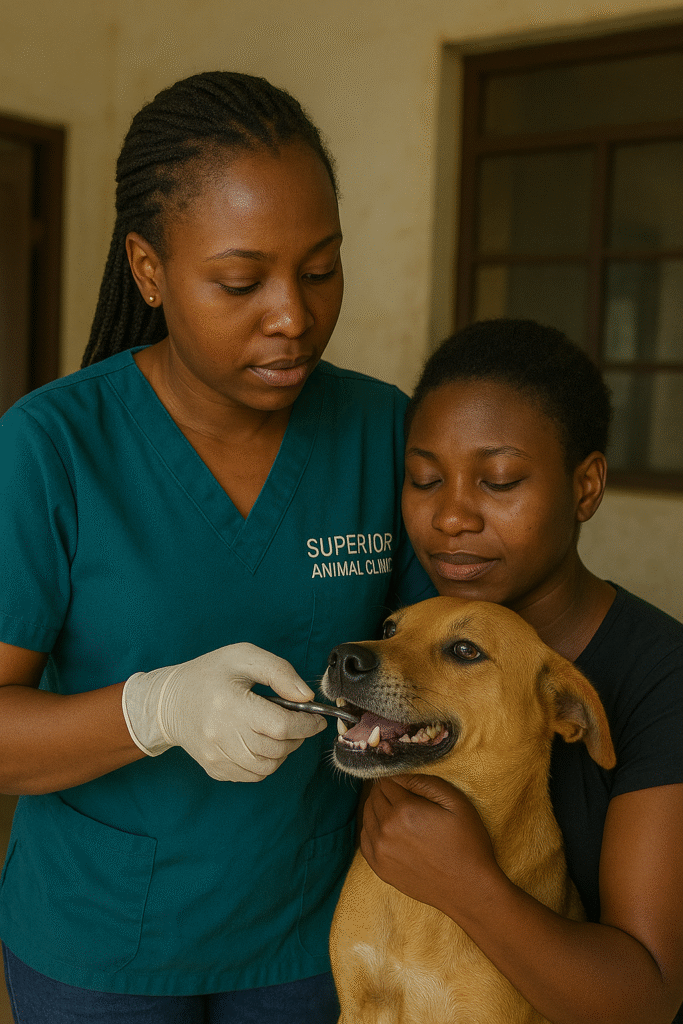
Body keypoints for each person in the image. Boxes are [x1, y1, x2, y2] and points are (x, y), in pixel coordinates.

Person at [0, 71, 433, 1022]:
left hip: (314, 930)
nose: (292, 314)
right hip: (105, 945)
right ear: (149, 271)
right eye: (240, 281)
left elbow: (439, 661)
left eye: (321, 269)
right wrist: (152, 710)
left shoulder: (382, 431)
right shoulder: (54, 447)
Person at [360, 318, 683, 1024]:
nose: (449, 516)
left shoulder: (662, 680)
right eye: (424, 479)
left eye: (498, 480)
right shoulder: (403, 639)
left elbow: (646, 993)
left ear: (585, 487)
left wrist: (468, 885)